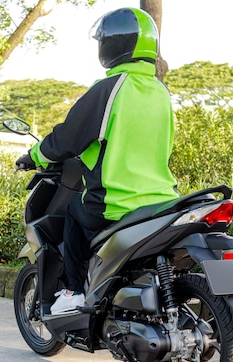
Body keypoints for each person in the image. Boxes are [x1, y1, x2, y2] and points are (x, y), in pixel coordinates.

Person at [16, 7, 180, 314]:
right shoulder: (161, 92)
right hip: (162, 200)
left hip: (117, 201)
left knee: (75, 211)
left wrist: (34, 156)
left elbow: (68, 137)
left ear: (113, 45)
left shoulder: (109, 88)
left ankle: (73, 291)